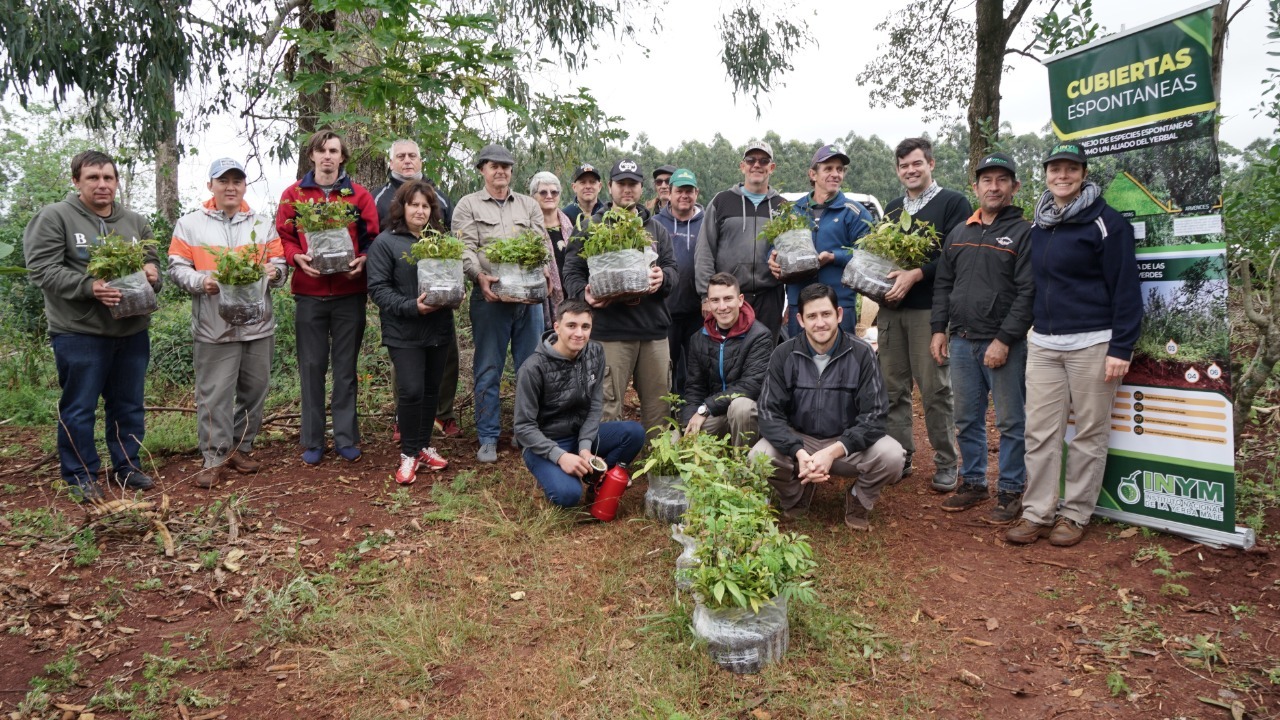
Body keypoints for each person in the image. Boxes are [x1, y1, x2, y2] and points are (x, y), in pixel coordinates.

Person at [1006, 143, 1142, 548]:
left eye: (1070, 169)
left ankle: (1075, 513)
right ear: (1045, 173)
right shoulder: (1040, 224)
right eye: (1055, 169)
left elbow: (1126, 290)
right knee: (1040, 432)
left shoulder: (1106, 223)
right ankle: (1037, 512)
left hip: (1093, 343)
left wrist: (1122, 347)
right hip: (1045, 343)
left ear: (1083, 173)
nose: (1061, 176)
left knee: (1088, 431)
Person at [22, 150, 161, 501]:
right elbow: (42, 269)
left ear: (116, 182)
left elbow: (151, 260)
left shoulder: (134, 221)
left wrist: (152, 274)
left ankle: (127, 468)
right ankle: (80, 474)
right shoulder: (55, 217)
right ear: (76, 181)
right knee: (80, 406)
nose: (102, 185)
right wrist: (90, 287)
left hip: (130, 330)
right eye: (93, 178)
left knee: (128, 405)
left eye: (108, 178)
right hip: (79, 331)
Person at [168, 158, 288, 489]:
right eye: (223, 181)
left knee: (254, 392)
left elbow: (279, 264)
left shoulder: (262, 224)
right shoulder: (191, 224)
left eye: (237, 181)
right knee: (214, 395)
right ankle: (213, 457)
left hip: (257, 325)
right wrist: (201, 282)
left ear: (244, 186)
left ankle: (240, 447)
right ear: (211, 186)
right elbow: (176, 268)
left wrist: (275, 272)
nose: (231, 186)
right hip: (213, 327)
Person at [929, 152, 1034, 524]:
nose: (994, 186)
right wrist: (938, 329)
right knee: (966, 417)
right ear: (975, 187)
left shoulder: (1025, 233)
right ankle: (973, 483)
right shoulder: (960, 232)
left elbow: (1028, 292)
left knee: (1009, 422)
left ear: (1014, 187)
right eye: (986, 180)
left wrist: (1004, 340)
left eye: (1002, 180)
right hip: (960, 340)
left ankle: (1010, 491)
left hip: (1004, 343)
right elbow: (943, 284)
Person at [753, 284, 905, 531]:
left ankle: (858, 497)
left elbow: (875, 415)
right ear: (800, 320)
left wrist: (833, 451)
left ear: (839, 315)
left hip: (847, 445)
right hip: (801, 441)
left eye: (826, 314)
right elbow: (769, 413)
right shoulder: (783, 354)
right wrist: (799, 452)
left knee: (892, 456)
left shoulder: (862, 353)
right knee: (758, 457)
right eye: (812, 316)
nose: (820, 323)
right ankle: (796, 493)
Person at [276, 129, 380, 465]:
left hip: (349, 293)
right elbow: (285, 236)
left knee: (345, 369)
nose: (327, 156)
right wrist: (296, 259)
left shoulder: (358, 196)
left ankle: (346, 437)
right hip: (310, 294)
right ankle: (312, 440)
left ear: (342, 157)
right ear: (312, 156)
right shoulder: (293, 194)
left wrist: (362, 261)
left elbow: (371, 239)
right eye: (321, 151)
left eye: (333, 150)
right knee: (311, 367)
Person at [562, 158, 679, 436]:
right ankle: (609, 472)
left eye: (633, 184)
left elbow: (673, 269)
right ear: (610, 187)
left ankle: (659, 472)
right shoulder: (591, 226)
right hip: (610, 331)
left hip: (653, 332)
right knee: (606, 405)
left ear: (641, 188)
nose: (627, 190)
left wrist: (663, 278)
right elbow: (572, 270)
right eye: (621, 184)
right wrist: (584, 295)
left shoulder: (656, 228)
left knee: (660, 406)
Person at [881, 137, 971, 490]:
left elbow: (955, 254)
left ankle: (947, 462)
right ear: (898, 170)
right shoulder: (892, 209)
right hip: (892, 310)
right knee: (892, 390)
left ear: (930, 164)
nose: (910, 170)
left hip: (929, 311)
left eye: (917, 163)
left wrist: (916, 274)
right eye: (904, 165)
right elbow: (883, 254)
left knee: (934, 390)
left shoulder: (953, 203)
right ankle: (900, 456)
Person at [454, 143, 551, 463]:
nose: (501, 171)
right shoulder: (468, 205)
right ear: (482, 169)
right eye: (493, 165)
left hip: (528, 302)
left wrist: (547, 272)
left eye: (506, 166)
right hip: (491, 299)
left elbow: (541, 245)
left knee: (531, 368)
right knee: (488, 368)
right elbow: (465, 248)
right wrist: (479, 276)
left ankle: (527, 433)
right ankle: (488, 437)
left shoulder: (528, 205)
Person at [514, 299, 646, 507]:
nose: (579, 333)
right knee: (568, 496)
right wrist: (561, 457)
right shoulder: (532, 368)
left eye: (585, 327)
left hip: (580, 435)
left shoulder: (595, 352)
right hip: (545, 443)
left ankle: (597, 482)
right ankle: (555, 475)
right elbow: (523, 427)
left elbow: (595, 405)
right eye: (571, 326)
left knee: (634, 432)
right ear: (557, 327)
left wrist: (585, 448)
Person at [366, 179, 455, 485]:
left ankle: (423, 445)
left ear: (433, 210)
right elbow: (378, 289)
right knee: (412, 390)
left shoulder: (441, 241)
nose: (420, 210)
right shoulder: (386, 243)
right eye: (414, 204)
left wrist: (456, 292)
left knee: (432, 390)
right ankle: (408, 453)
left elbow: (450, 279)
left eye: (426, 205)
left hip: (438, 328)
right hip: (404, 331)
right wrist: (411, 307)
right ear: (401, 207)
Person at [372, 138, 461, 440]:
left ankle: (441, 417)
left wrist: (452, 289)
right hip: (403, 310)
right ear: (391, 161)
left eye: (413, 155)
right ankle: (405, 423)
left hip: (438, 312)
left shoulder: (442, 199)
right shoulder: (379, 201)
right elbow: (377, 267)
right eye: (401, 156)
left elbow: (451, 246)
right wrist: (409, 304)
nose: (407, 160)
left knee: (441, 367)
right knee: (409, 377)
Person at [772, 144, 874, 335]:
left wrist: (834, 257)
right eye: (828, 168)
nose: (835, 174)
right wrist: (772, 259)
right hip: (800, 305)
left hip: (839, 306)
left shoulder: (855, 213)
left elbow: (868, 255)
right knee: (800, 362)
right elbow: (774, 247)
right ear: (813, 174)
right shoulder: (793, 211)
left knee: (841, 362)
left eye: (840, 169)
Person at [694, 140, 786, 339]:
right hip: (729, 298)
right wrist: (706, 297)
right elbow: (705, 250)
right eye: (751, 160)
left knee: (765, 359)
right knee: (730, 358)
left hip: (769, 298)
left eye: (763, 161)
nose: (757, 165)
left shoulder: (782, 206)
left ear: (772, 167)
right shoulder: (722, 201)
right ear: (742, 165)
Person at [680, 272, 773, 447]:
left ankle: (743, 466)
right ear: (707, 302)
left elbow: (751, 386)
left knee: (741, 407)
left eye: (728, 299)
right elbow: (694, 387)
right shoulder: (698, 338)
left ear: (740, 300)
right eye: (715, 300)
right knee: (678, 440)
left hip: (750, 414)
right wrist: (688, 423)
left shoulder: (760, 336)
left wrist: (706, 408)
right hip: (716, 413)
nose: (722, 307)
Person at [652, 168, 705, 395]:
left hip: (698, 311)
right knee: (666, 367)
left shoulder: (707, 222)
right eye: (679, 190)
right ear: (669, 193)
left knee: (697, 367)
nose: (684, 195)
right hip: (665, 309)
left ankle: (692, 412)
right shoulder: (655, 223)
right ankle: (667, 416)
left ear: (697, 193)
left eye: (689, 191)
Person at [529, 171, 570, 305]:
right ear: (533, 196)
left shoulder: (570, 226)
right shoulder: (528, 231)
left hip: (572, 297)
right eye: (543, 192)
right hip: (542, 301)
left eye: (554, 192)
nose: (549, 196)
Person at [563, 163, 606, 232]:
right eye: (583, 182)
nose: (588, 186)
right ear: (574, 187)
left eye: (592, 182)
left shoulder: (607, 213)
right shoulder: (565, 215)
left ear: (600, 186)